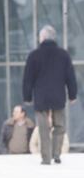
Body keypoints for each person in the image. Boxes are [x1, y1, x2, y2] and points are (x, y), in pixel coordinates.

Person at [23, 25, 77, 165]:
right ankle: (56, 154)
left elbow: (28, 78)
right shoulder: (63, 55)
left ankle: (46, 158)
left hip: (41, 97)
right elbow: (70, 76)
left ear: (42, 38)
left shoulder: (34, 55)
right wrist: (72, 95)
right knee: (59, 126)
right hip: (58, 96)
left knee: (43, 128)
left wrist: (27, 97)